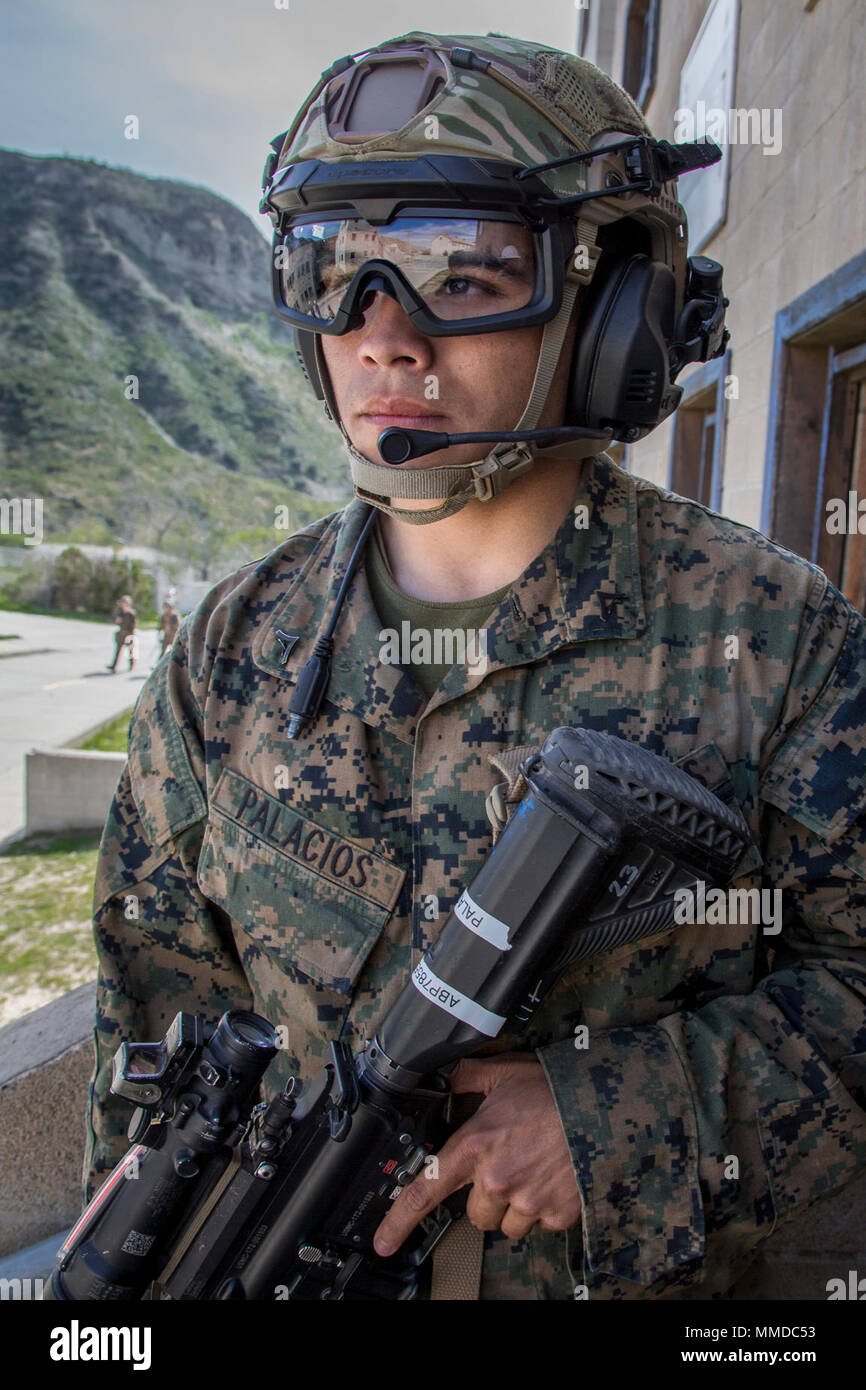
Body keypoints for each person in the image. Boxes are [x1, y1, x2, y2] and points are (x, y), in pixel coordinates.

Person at [83, 31, 866, 1301]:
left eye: (462, 271)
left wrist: (617, 1119)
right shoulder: (231, 649)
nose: (380, 337)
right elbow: (148, 1030)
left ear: (613, 310)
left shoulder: (776, 645)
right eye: (335, 269)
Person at [106, 593, 137, 672]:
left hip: (129, 634)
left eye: (124, 603)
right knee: (118, 650)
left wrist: (132, 635)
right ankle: (114, 666)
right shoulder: (121, 613)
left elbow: (134, 625)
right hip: (121, 634)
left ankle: (132, 665)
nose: (122, 604)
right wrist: (117, 621)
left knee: (130, 651)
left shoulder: (131, 613)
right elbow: (117, 622)